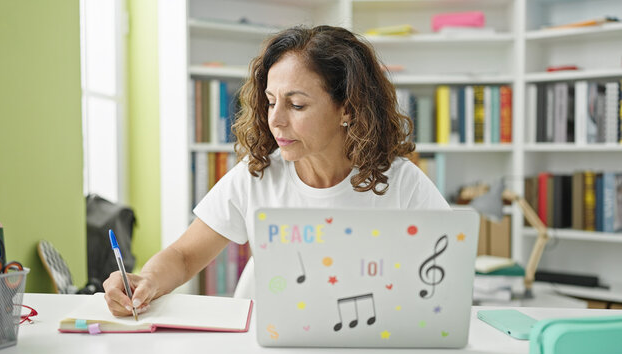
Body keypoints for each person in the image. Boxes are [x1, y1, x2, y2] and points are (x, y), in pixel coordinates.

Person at [103, 25, 449, 316]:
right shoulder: (257, 174)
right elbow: (183, 256)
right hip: (261, 344)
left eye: (297, 104)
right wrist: (146, 280)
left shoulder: (401, 183)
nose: (276, 120)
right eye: (271, 102)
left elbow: (444, 276)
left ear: (348, 108)